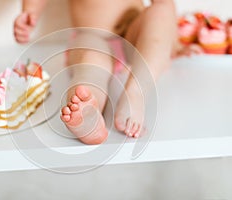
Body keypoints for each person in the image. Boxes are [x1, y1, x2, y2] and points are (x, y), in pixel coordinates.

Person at [14, 0, 177, 144]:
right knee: (91, 64)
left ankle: (136, 90)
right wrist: (30, 12)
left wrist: (168, 38)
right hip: (91, 37)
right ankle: (87, 115)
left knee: (162, 10)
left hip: (134, 35)